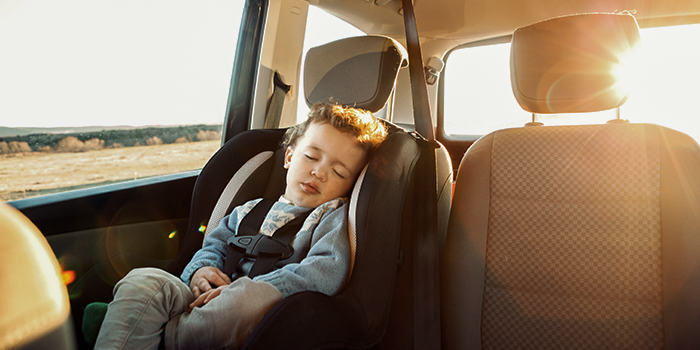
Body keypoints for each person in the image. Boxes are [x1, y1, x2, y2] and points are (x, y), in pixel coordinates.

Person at [93, 103, 387, 350]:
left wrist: (252, 289)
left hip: (255, 312)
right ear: (289, 157)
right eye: (311, 156)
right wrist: (200, 272)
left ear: (351, 186)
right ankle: (132, 333)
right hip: (203, 300)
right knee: (145, 280)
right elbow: (214, 245)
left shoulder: (332, 216)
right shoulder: (248, 209)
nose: (318, 171)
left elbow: (325, 271)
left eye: (338, 172)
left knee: (248, 300)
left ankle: (156, 337)